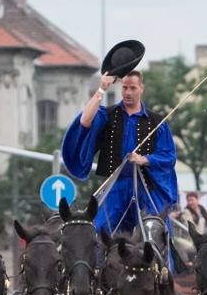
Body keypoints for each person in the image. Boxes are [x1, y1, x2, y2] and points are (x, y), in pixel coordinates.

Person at [62, 70, 178, 234]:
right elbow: (85, 121)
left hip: (146, 188)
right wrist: (102, 88)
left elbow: (169, 157)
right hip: (115, 187)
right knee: (96, 231)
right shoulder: (107, 115)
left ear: (141, 88)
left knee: (159, 232)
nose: (128, 92)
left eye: (133, 88)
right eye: (124, 88)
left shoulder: (157, 122)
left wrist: (144, 159)